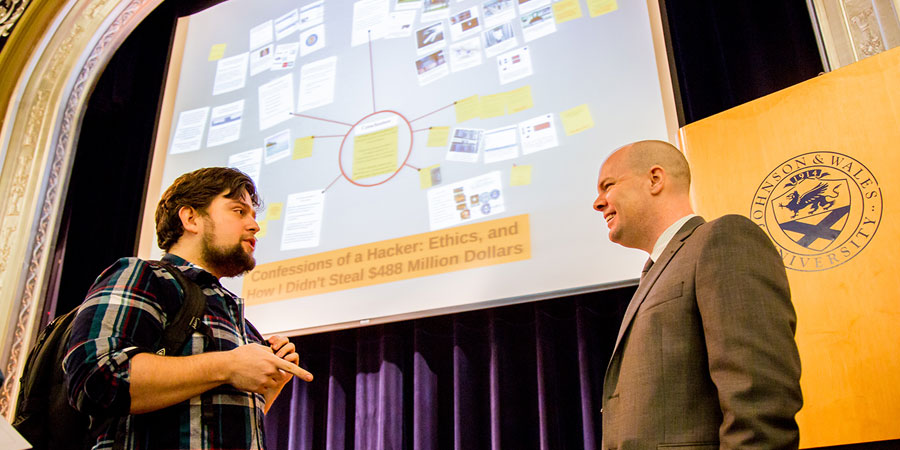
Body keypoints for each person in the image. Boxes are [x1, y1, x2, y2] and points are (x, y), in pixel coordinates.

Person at [64, 167, 313, 450]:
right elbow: (96, 378)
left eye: (254, 216)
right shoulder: (144, 275)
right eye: (239, 211)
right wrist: (228, 366)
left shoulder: (241, 324)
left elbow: (212, 426)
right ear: (190, 218)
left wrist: (270, 385)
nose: (255, 226)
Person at [593, 140, 802, 449]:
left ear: (655, 179)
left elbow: (760, 399)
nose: (598, 203)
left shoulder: (723, 239)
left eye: (607, 186)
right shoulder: (656, 271)